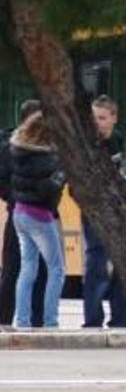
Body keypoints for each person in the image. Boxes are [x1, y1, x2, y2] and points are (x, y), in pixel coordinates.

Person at [9, 113, 67, 329]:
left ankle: (22, 321)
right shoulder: (45, 159)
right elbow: (47, 189)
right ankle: (50, 321)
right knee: (57, 269)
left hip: (20, 213)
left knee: (28, 268)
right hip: (40, 216)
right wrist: (62, 174)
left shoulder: (18, 152)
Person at [81, 96, 126, 329]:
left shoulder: (117, 140)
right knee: (96, 260)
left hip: (116, 208)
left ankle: (121, 317)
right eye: (94, 118)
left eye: (102, 118)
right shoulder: (87, 143)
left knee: (123, 262)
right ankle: (93, 319)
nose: (98, 123)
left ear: (114, 118)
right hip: (93, 208)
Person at [0, 100, 46, 326]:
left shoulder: (46, 146)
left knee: (44, 271)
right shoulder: (10, 147)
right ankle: (4, 320)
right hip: (18, 213)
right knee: (13, 268)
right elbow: (2, 181)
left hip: (45, 215)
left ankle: (38, 321)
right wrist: (15, 198)